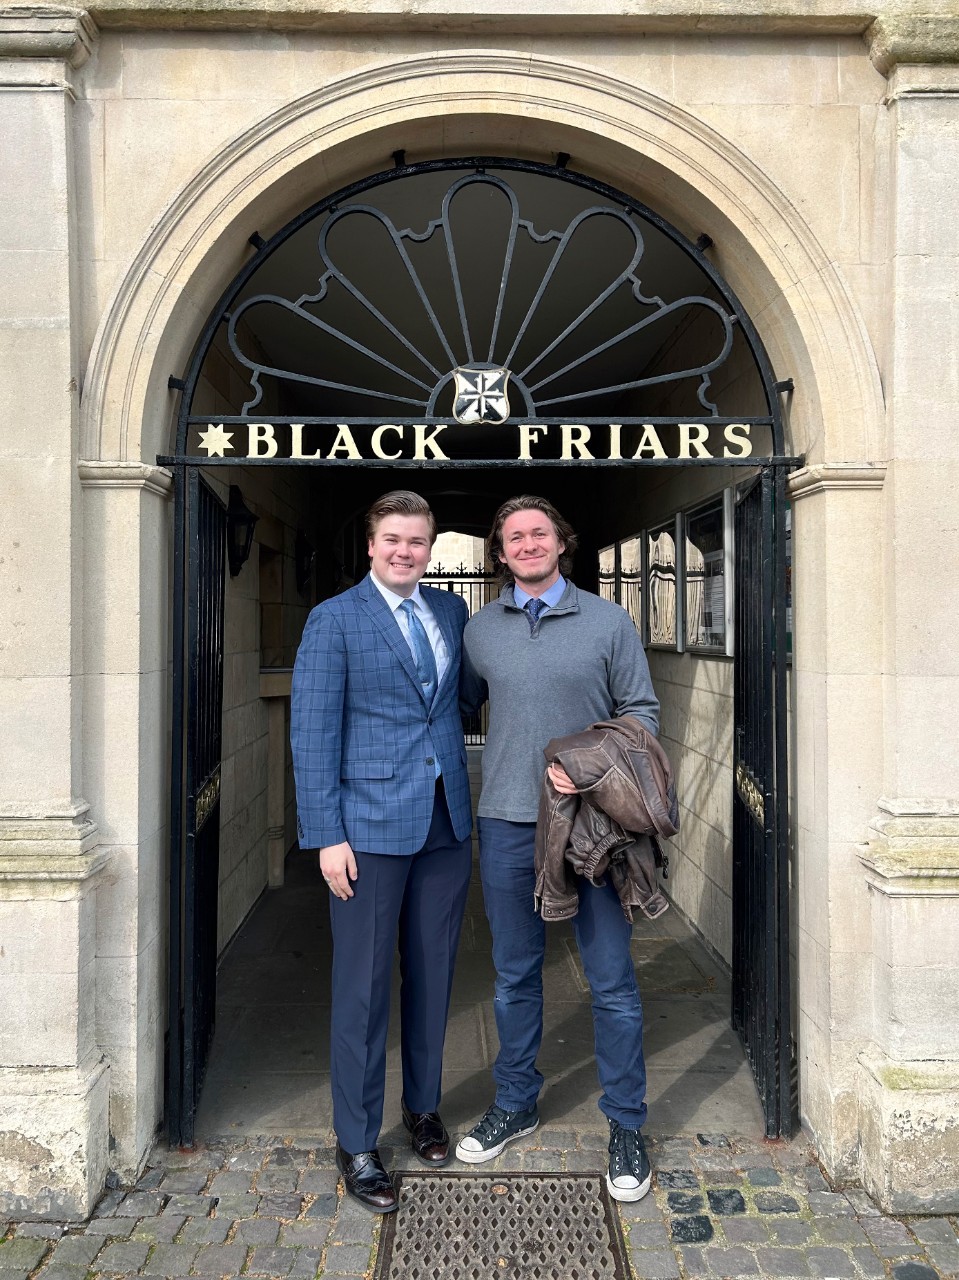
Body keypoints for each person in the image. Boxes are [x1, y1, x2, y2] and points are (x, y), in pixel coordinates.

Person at [457, 495, 661, 1203]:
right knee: (513, 977)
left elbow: (641, 713)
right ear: (499, 550)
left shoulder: (608, 621)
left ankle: (626, 1123)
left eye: (538, 532)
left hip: (593, 828)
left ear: (560, 542)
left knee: (610, 981)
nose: (527, 543)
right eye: (513, 536)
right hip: (509, 821)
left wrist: (586, 764)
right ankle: (515, 1102)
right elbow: (454, 707)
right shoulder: (480, 629)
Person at [291, 490, 473, 1213]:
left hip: (444, 824)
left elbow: (459, 702)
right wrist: (326, 835)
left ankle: (422, 1109)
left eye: (417, 541)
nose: (405, 551)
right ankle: (357, 1141)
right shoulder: (333, 619)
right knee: (363, 988)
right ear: (370, 545)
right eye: (393, 540)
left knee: (432, 977)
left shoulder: (450, 613)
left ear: (430, 549)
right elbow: (312, 735)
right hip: (364, 830)